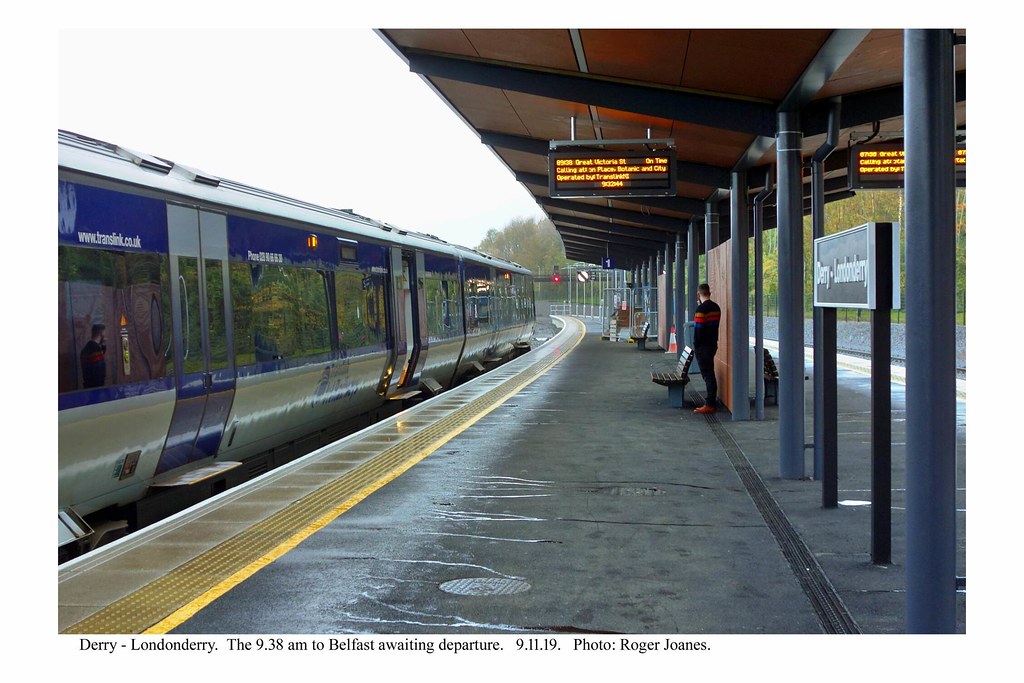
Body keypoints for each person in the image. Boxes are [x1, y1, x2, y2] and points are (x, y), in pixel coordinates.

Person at [692, 283, 721, 414]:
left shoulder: (701, 310)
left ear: (699, 294)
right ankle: (710, 402)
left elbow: (698, 330)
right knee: (710, 373)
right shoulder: (716, 307)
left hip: (703, 347)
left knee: (708, 375)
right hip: (713, 344)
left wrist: (696, 345)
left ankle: (710, 404)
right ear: (709, 293)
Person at [80, 323, 107, 388]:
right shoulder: (96, 350)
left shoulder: (86, 348)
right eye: (104, 332)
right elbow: (99, 371)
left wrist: (103, 346)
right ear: (101, 333)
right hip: (96, 389)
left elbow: (95, 361)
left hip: (87, 386)